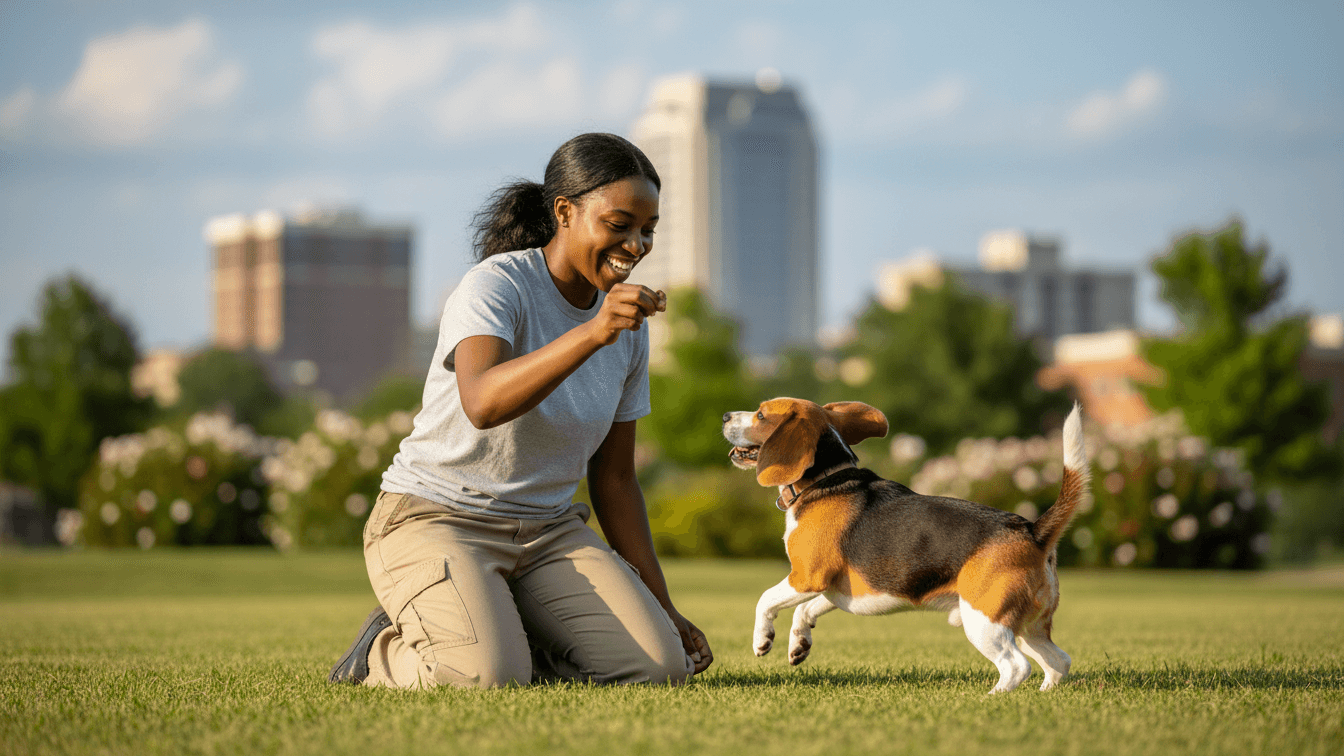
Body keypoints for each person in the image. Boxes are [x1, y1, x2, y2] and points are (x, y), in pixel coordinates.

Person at [328, 132, 713, 689]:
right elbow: (483, 402)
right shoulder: (497, 286)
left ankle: (501, 631)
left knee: (657, 668)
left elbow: (616, 479)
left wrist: (664, 609)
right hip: (435, 517)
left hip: (547, 533)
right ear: (564, 212)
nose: (636, 244)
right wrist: (593, 332)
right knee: (483, 678)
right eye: (619, 224)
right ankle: (380, 653)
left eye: (648, 230)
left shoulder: (626, 329)